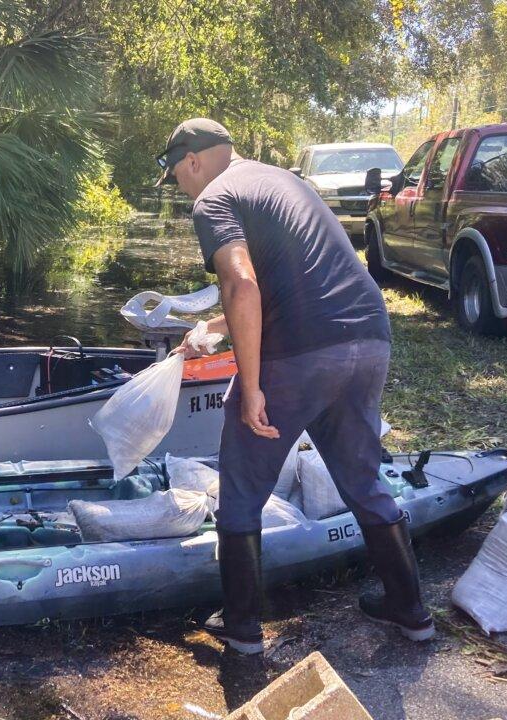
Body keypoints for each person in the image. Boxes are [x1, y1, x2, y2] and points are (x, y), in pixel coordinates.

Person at [156, 118, 434, 654]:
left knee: (240, 489)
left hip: (302, 352)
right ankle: (412, 610)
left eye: (178, 177)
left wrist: (252, 385)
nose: (183, 189)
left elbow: (240, 282)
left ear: (191, 161)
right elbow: (287, 284)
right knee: (364, 478)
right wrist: (213, 331)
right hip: (367, 337)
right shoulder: (282, 180)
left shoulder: (213, 198)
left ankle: (241, 631)